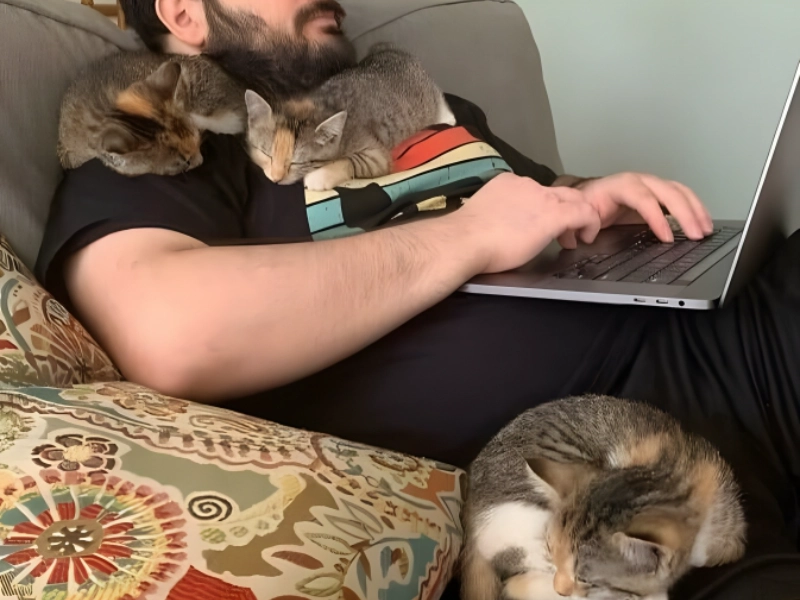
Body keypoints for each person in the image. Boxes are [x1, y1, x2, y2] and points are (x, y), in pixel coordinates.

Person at [35, 0, 800, 598]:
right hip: (588, 487)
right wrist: (468, 236)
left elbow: (530, 204)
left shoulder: (419, 101)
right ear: (185, 13)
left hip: (735, 333)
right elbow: (169, 328)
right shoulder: (167, 145)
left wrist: (591, 197)